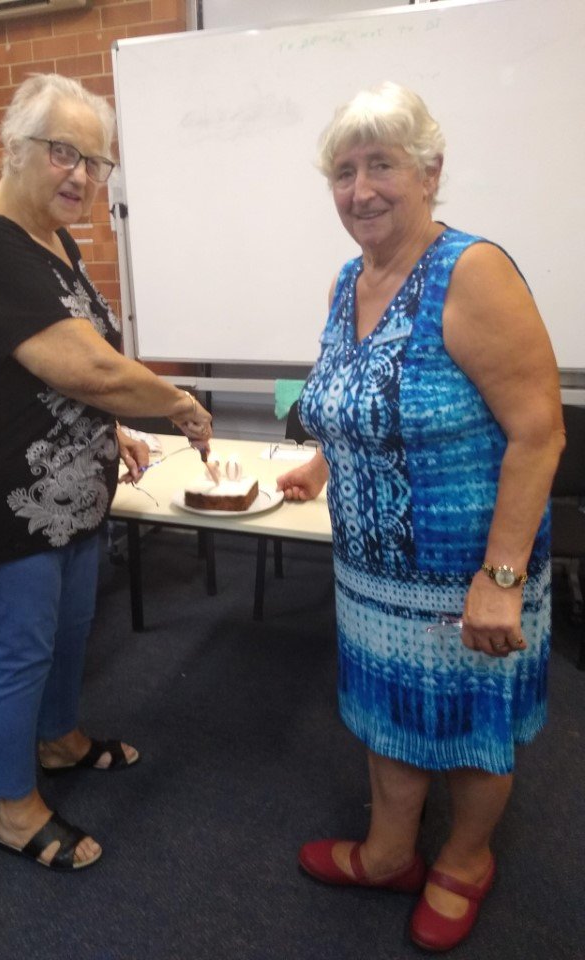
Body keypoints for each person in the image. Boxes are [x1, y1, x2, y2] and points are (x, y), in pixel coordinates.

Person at [0, 74, 212, 873]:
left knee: (69, 629)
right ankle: (15, 809)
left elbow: (59, 372)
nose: (81, 176)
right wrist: (174, 404)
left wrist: (112, 427)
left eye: (96, 162)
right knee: (19, 647)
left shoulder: (50, 237)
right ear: (12, 148)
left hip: (62, 490)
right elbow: (88, 367)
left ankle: (59, 741)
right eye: (62, 152)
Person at [276, 82, 564, 952]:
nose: (360, 190)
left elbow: (539, 432)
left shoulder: (471, 271)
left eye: (382, 166)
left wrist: (501, 578)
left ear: (430, 174)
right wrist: (323, 459)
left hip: (468, 574)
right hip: (368, 573)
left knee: (473, 728)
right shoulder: (347, 280)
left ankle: (465, 861)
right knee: (386, 712)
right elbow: (356, 394)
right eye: (344, 171)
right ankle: (390, 851)